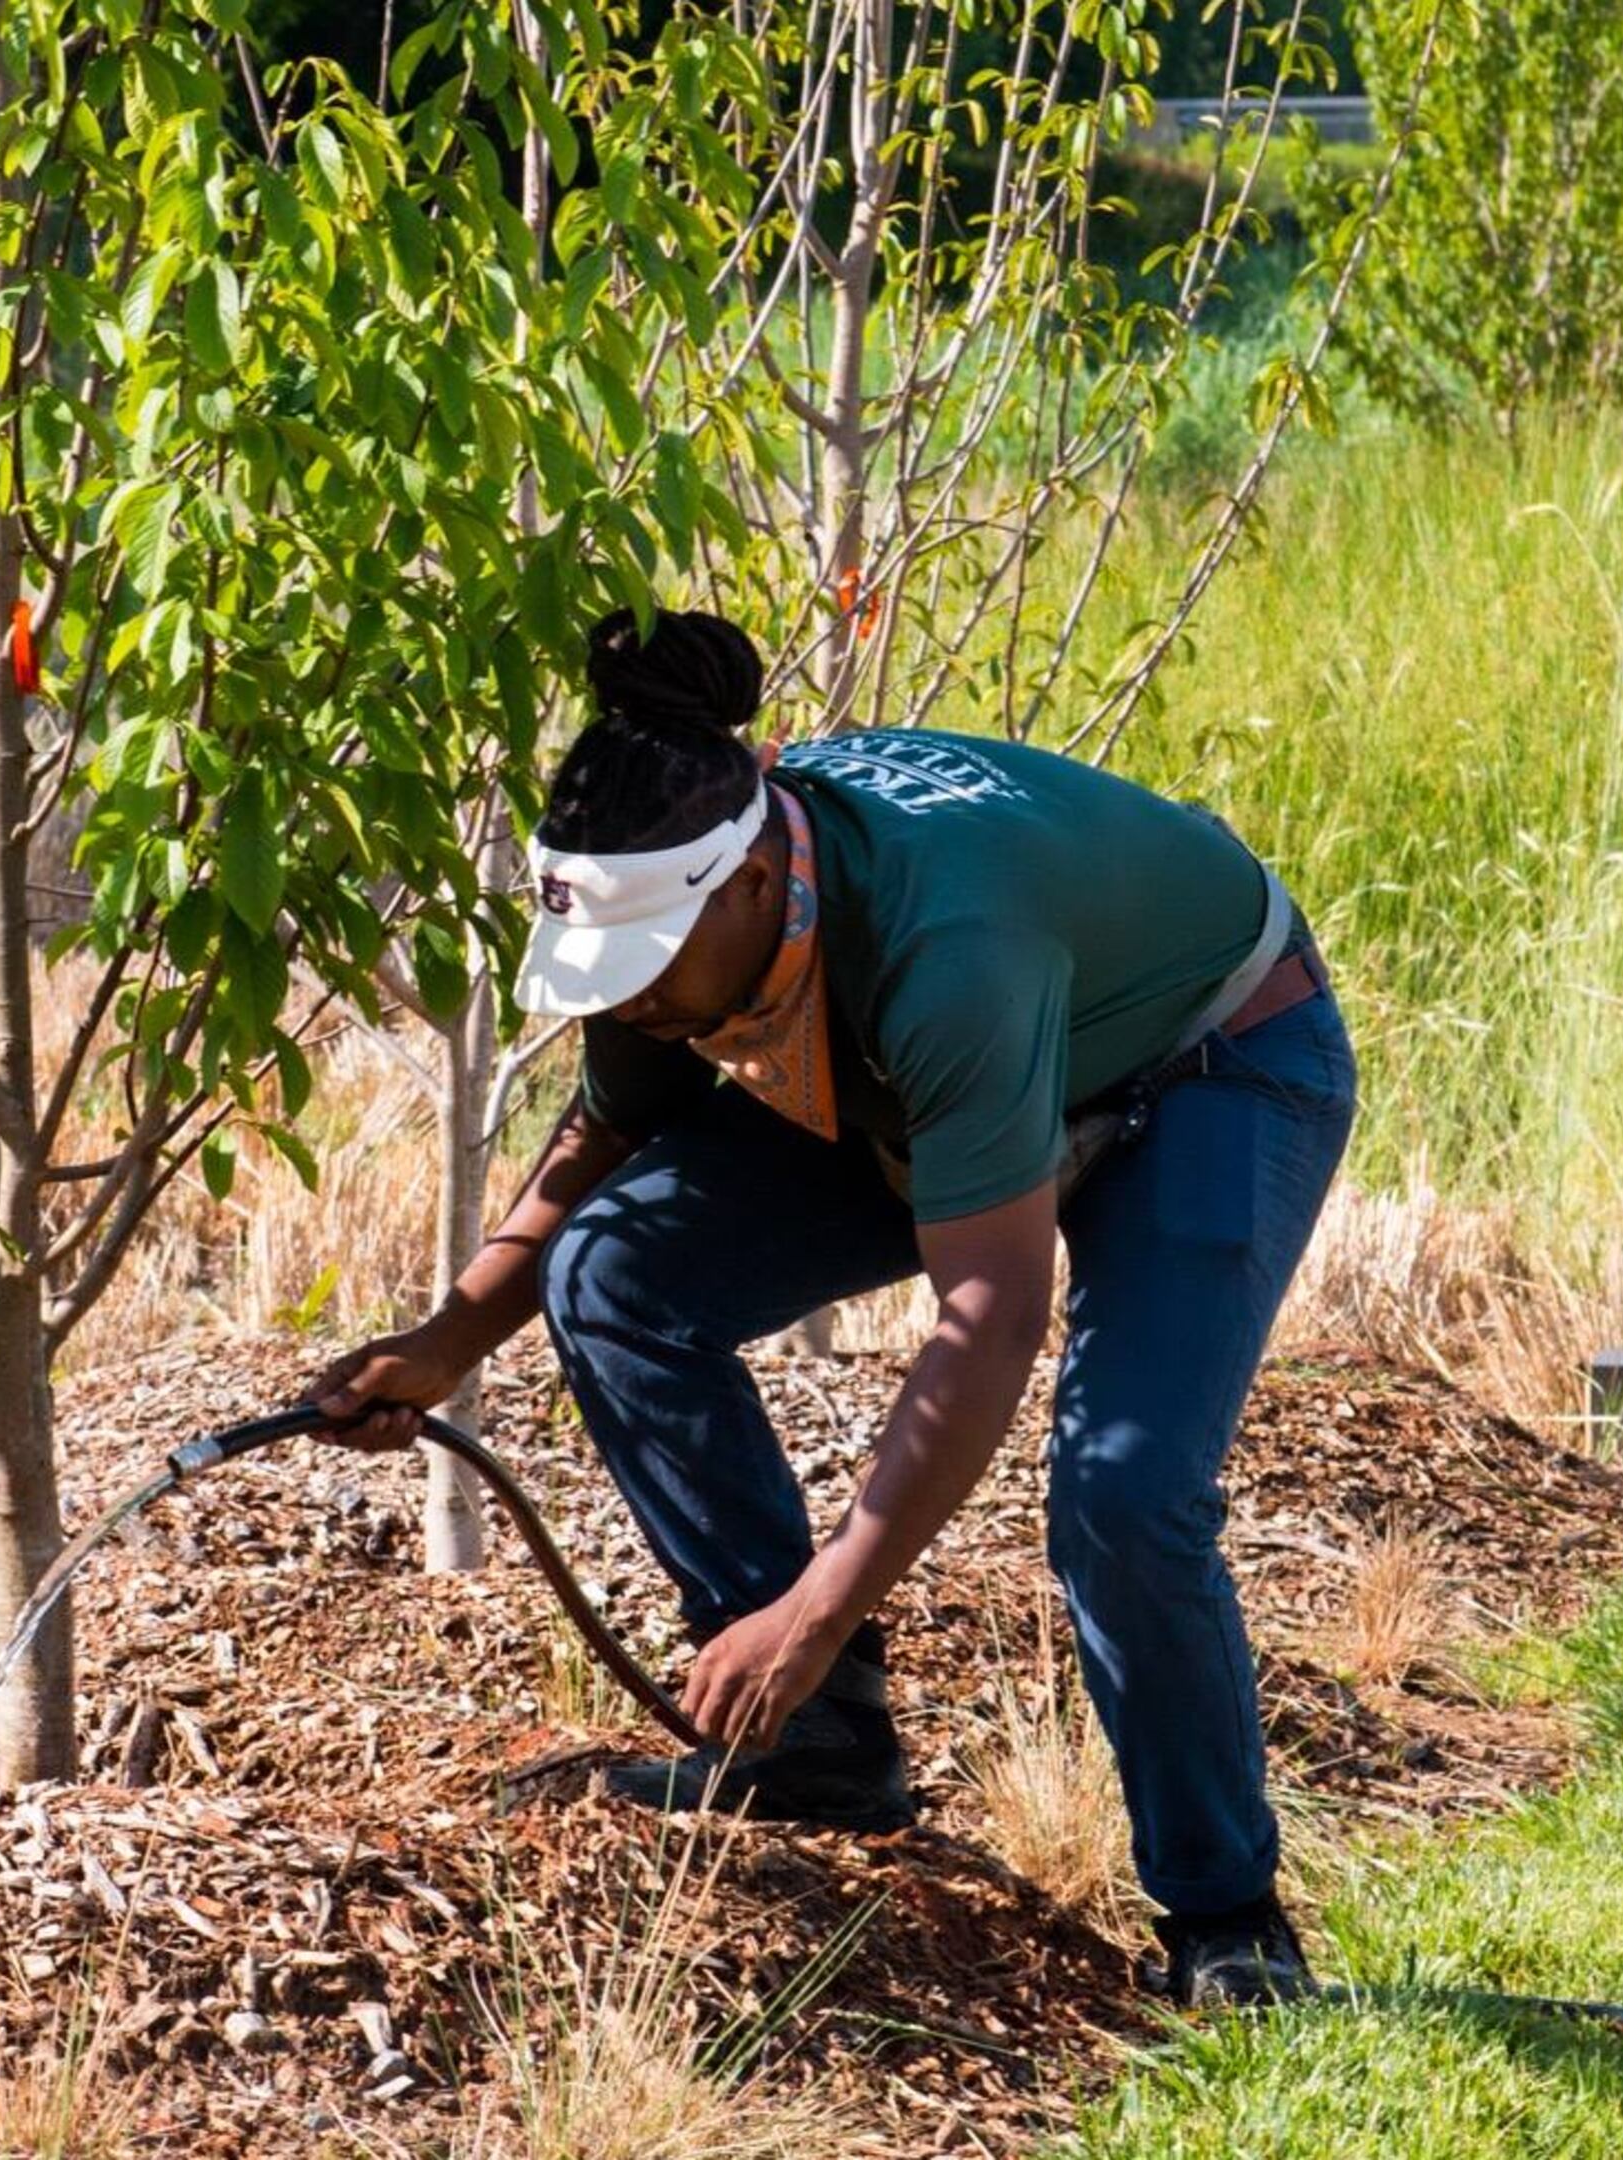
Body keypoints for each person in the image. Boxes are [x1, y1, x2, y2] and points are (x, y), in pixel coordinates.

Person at [310, 603, 1357, 2009]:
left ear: (750, 884)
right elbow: (601, 1142)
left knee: (1123, 1491)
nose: (636, 1007)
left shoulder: (945, 947)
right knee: (614, 1275)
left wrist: (815, 1606)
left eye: (647, 975)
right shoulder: (672, 918)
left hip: (1207, 1063)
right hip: (941, 1089)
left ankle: (1230, 1925)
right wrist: (448, 1341)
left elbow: (990, 1314)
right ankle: (821, 1748)